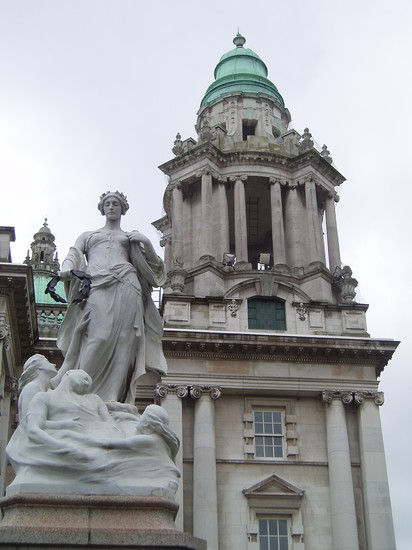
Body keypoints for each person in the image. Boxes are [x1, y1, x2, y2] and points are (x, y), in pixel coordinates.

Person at [52, 191, 167, 403]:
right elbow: (74, 253)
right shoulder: (89, 235)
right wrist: (66, 268)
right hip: (96, 283)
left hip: (127, 285)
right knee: (99, 336)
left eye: (116, 204)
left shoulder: (130, 237)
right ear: (102, 208)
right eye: (108, 203)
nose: (111, 207)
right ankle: (78, 392)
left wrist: (147, 244)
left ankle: (112, 397)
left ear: (123, 209)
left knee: (125, 341)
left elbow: (157, 270)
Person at [6, 370, 180, 497]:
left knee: (153, 443)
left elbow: (109, 423)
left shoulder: (94, 399)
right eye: (83, 377)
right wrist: (63, 440)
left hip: (103, 438)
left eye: (89, 382)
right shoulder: (44, 398)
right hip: (71, 440)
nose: (86, 383)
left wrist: (112, 434)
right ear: (68, 374)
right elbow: (33, 429)